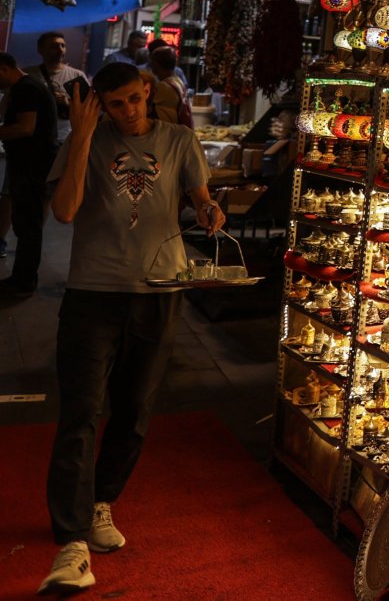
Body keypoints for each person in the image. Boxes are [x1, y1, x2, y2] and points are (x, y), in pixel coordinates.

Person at [38, 62, 224, 594]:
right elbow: (66, 212)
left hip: (160, 291)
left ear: (147, 91)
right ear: (99, 103)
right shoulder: (87, 140)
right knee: (79, 412)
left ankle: (100, 501)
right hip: (92, 293)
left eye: (132, 100)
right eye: (114, 104)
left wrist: (210, 211)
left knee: (136, 410)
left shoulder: (180, 139)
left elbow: (200, 197)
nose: (126, 111)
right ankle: (71, 540)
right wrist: (80, 137)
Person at [0, 53, 59, 297]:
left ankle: (23, 281)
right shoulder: (26, 86)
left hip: (32, 167)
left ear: (3, 68)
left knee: (28, 226)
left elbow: (25, 128)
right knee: (27, 224)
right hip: (31, 165)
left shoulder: (27, 89)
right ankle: (22, 278)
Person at [31, 31, 89, 145]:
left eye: (63, 46)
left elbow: (88, 108)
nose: (60, 49)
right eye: (54, 46)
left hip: (65, 139)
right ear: (40, 50)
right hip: (35, 138)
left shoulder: (77, 76)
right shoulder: (29, 75)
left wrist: (67, 103)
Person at [147, 46, 192, 128]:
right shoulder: (177, 80)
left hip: (168, 132)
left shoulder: (163, 86)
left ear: (156, 64)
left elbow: (153, 113)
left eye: (152, 61)